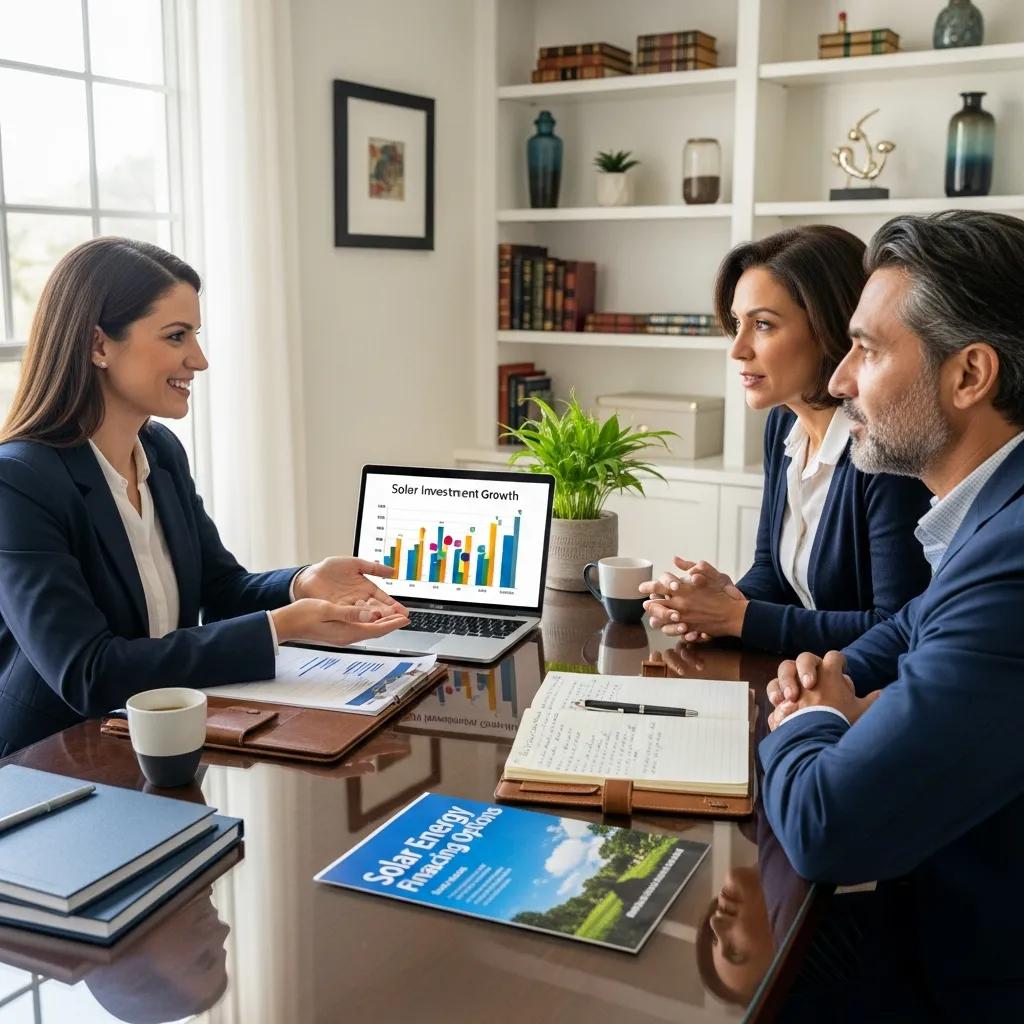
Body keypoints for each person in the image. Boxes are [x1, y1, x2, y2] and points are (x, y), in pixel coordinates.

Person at [761, 211, 1024, 1018]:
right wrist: (826, 681)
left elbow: (826, 826)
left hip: (970, 970)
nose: (841, 381)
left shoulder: (1013, 559)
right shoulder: (990, 517)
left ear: (969, 374)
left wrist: (807, 716)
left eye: (867, 350)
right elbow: (910, 627)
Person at [0, 238, 409, 755]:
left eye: (195, 335)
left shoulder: (160, 451)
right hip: (54, 760)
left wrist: (301, 584)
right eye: (176, 336)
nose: (199, 359)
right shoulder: (20, 481)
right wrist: (281, 627)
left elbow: (219, 588)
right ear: (98, 345)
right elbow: (89, 673)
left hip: (164, 738)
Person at [642, 226, 932, 656]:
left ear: (831, 329)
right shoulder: (782, 426)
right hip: (797, 675)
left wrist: (736, 617)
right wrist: (718, 605)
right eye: (738, 323)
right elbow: (773, 573)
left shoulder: (885, 448)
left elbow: (896, 628)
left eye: (762, 325)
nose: (738, 349)